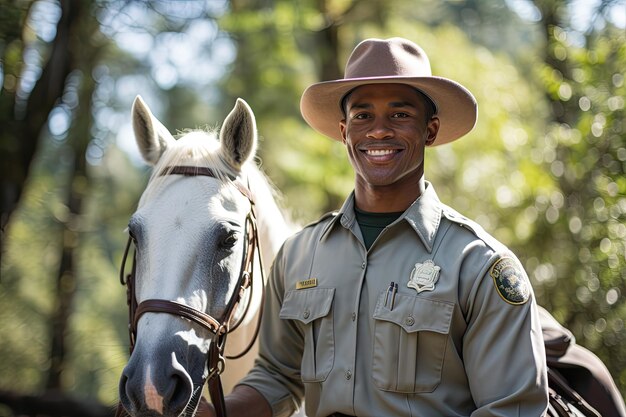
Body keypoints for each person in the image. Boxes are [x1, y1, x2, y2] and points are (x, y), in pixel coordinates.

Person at [199, 37, 549, 417]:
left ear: (430, 130)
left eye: (399, 115)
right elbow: (277, 378)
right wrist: (214, 413)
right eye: (363, 115)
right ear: (344, 130)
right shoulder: (298, 256)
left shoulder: (480, 265)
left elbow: (511, 410)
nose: (379, 131)